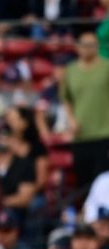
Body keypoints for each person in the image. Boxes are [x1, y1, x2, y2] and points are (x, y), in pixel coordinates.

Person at [61, 31, 109, 189]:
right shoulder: (70, 71)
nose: (88, 48)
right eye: (84, 44)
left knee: (101, 184)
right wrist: (71, 119)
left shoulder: (106, 67)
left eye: (91, 44)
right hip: (80, 136)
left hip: (104, 134)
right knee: (84, 184)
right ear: (77, 47)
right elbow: (65, 98)